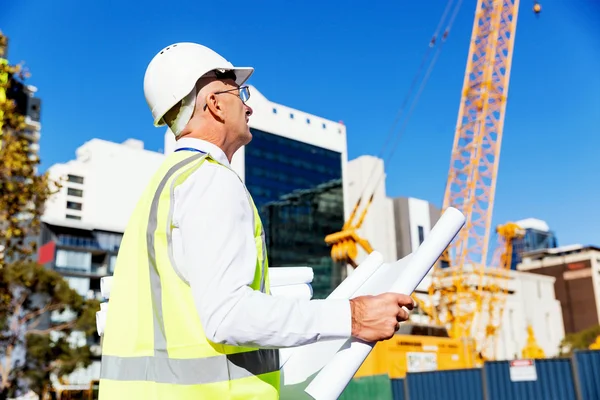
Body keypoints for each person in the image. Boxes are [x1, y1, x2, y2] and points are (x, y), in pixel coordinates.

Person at [98, 42, 415, 400]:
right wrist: (353, 317)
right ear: (215, 104)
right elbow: (228, 315)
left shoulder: (164, 185)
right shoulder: (210, 180)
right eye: (240, 93)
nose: (248, 106)